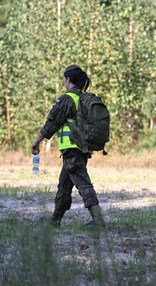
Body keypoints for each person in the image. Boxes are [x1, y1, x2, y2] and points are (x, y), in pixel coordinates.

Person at [31, 64, 106, 228]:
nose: (64, 82)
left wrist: (36, 142)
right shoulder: (83, 98)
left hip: (72, 149)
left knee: (82, 183)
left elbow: (51, 124)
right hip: (81, 148)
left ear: (68, 79)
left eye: (64, 79)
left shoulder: (67, 99)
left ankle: (98, 220)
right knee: (64, 184)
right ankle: (55, 220)